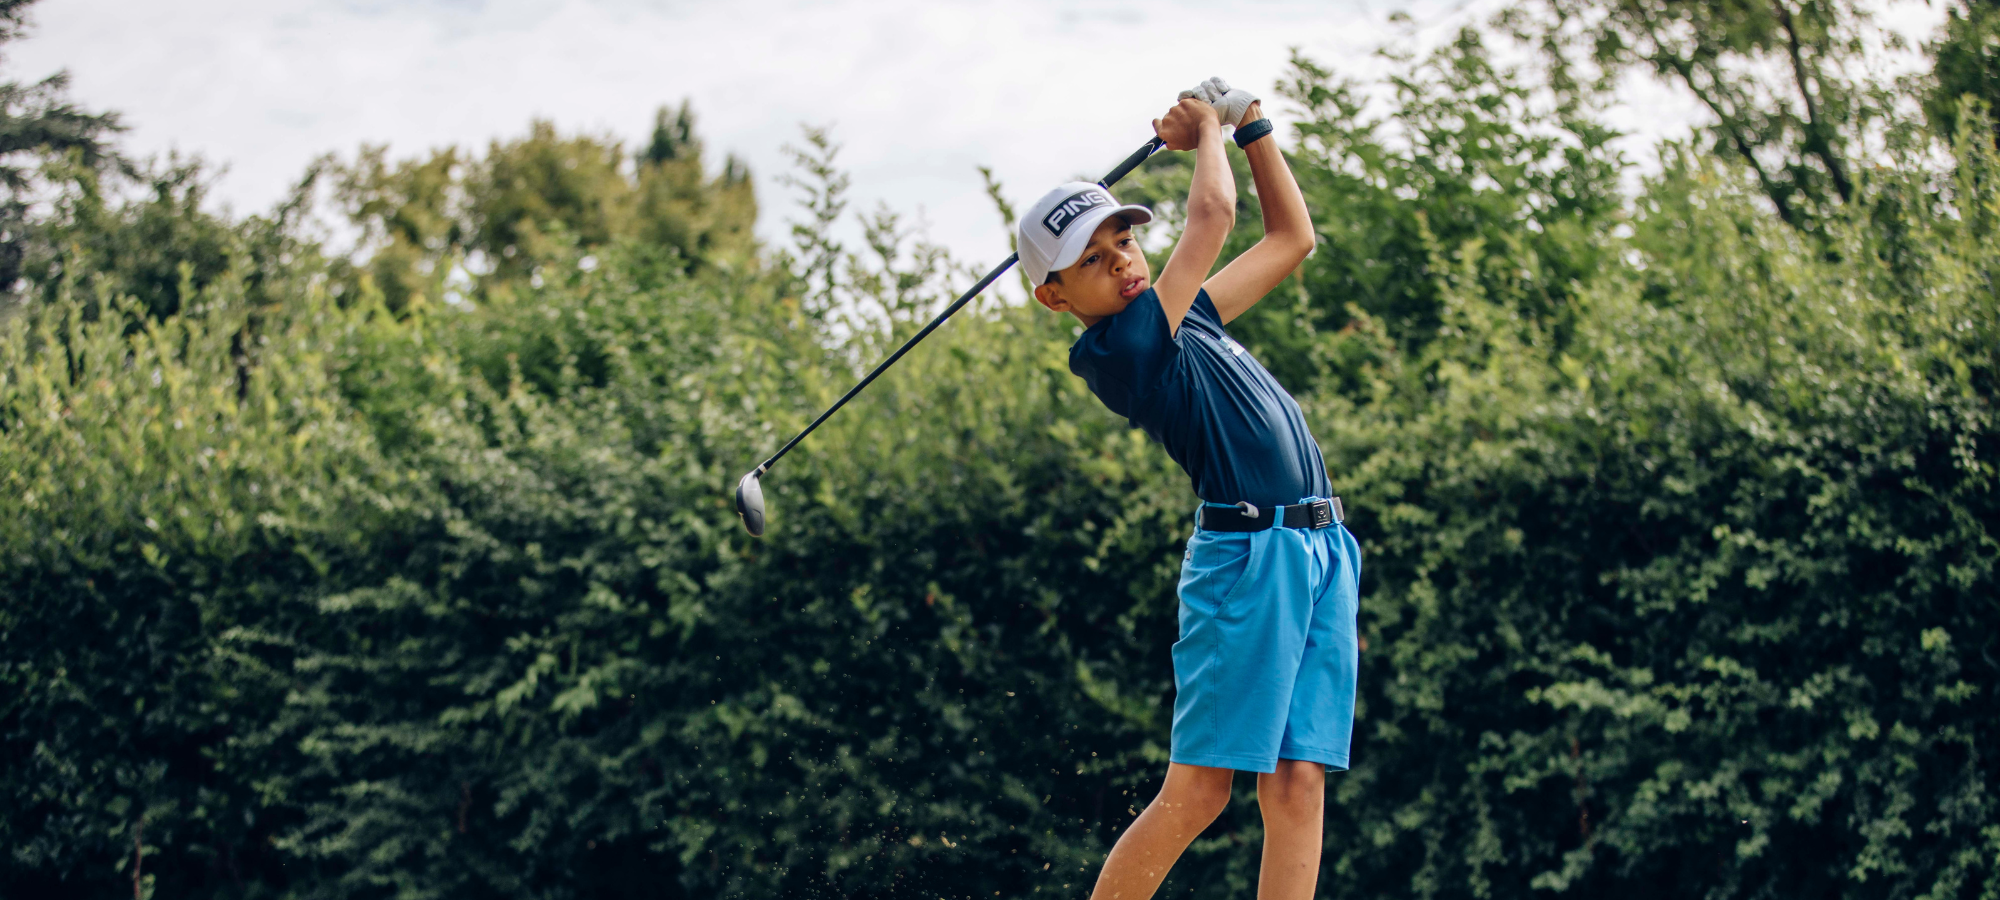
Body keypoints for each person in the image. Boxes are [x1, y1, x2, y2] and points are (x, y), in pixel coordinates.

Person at [1015, 77, 1361, 900]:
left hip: (1319, 548)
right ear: (1054, 297)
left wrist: (1254, 129)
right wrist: (1208, 126)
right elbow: (1212, 217)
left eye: (1123, 241)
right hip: (1248, 561)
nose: (1121, 263)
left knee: (1298, 782)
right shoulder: (1123, 351)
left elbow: (1292, 239)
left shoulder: (1187, 315)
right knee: (1201, 790)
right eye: (1090, 262)